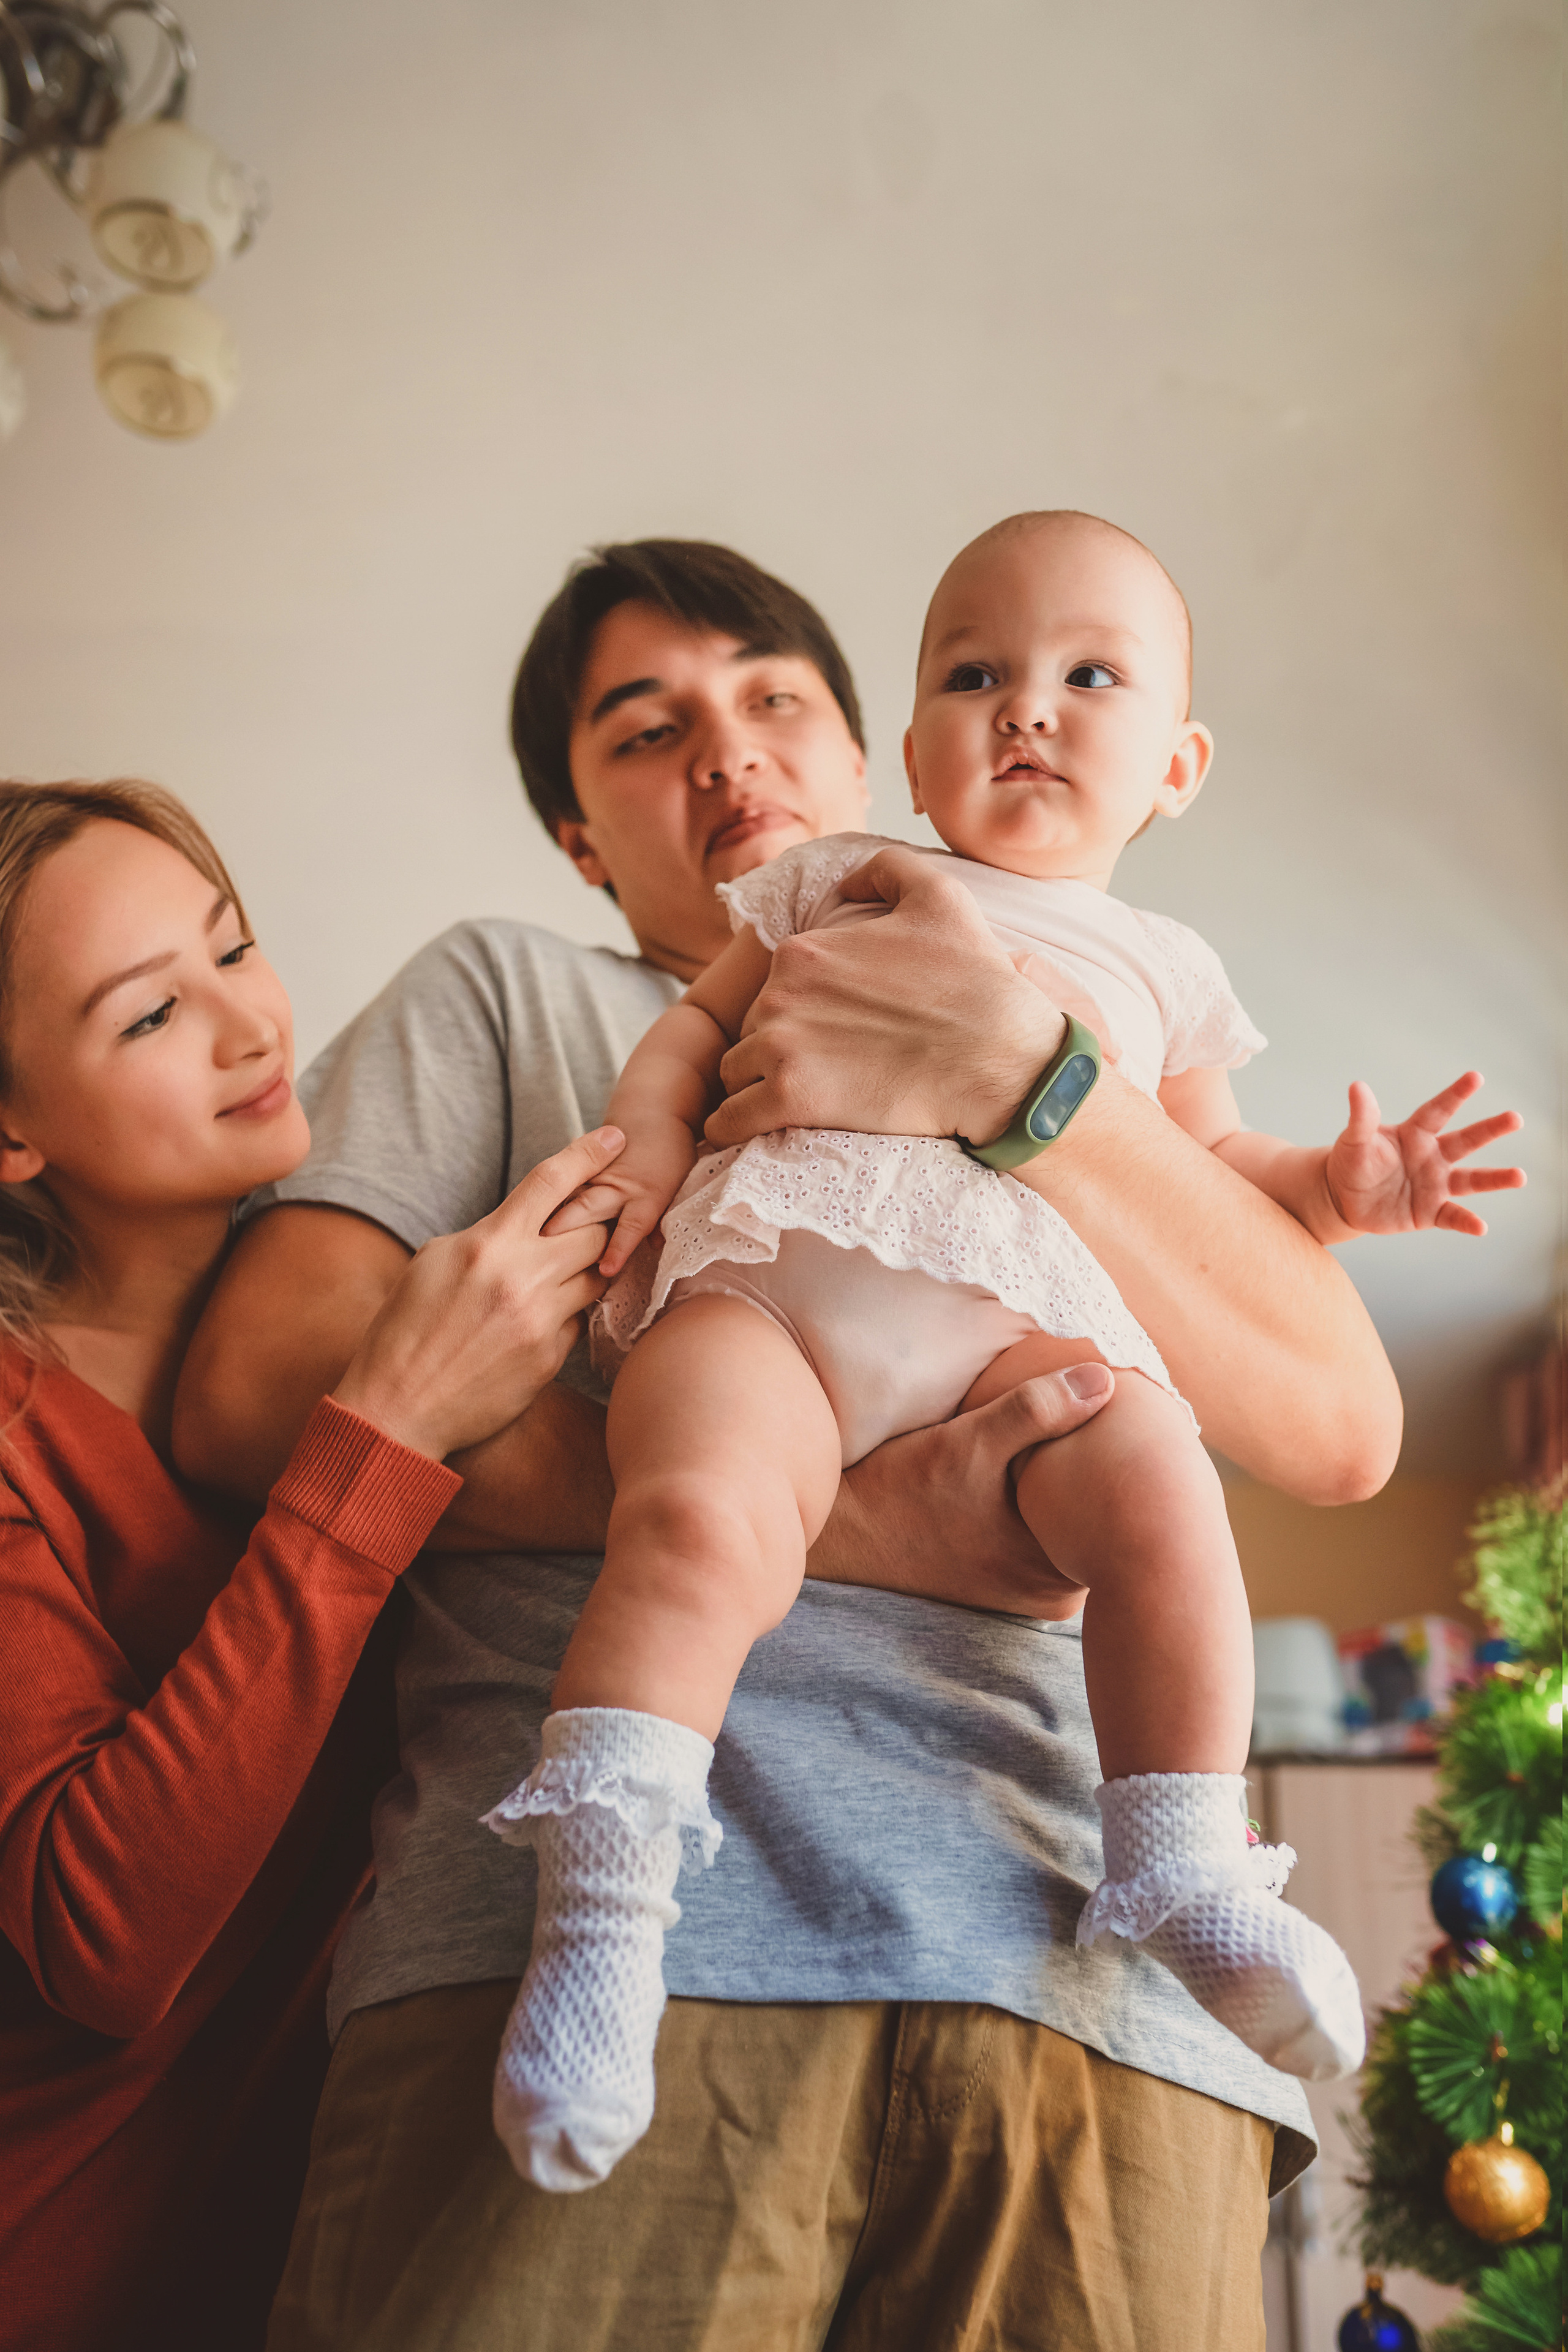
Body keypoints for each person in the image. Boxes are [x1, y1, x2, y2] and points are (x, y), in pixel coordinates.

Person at [178, 540, 1406, 2352]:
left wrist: (1023, 1070)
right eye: (642, 729)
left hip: (1089, 1982)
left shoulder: (1119, 1013)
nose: (726, 752)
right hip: (638, 1962)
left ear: (850, 753)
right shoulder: (513, 991)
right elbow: (251, 1390)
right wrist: (851, 1517)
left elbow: (1342, 1426)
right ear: (581, 836)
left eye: (771, 699)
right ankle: (607, 1871)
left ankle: (1189, 1865)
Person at [489, 512, 1525, 2193]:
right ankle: (603, 1914)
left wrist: (1341, 1191)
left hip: (1008, 1343)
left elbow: (1214, 1175)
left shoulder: (1169, 970)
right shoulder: (841, 876)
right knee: (689, 1523)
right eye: (975, 676)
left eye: (1088, 676)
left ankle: (1183, 1862)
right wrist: (649, 1160)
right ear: (913, 755)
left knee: (1164, 1488)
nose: (1026, 708)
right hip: (772, 1298)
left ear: (1177, 765)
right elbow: (687, 1035)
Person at [0, 778, 635, 2352]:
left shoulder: (368, 1288)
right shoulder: (23, 1424)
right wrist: (386, 1430)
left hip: (330, 2250)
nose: (250, 1025)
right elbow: (103, 1933)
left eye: (234, 949)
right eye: (151, 1014)